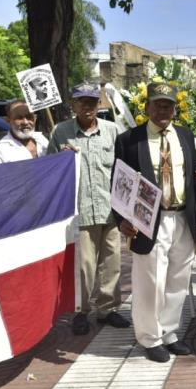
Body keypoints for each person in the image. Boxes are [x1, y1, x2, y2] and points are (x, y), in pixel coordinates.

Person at [115, 82, 196, 363]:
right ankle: (150, 338)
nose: (163, 109)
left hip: (182, 217)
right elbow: (120, 182)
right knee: (150, 281)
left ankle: (170, 332)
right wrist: (122, 220)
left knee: (178, 278)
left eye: (168, 104)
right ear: (147, 106)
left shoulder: (185, 136)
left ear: (176, 108)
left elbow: (191, 175)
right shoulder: (130, 139)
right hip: (149, 221)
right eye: (158, 104)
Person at [49, 83, 127, 335]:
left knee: (112, 262)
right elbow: (49, 169)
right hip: (80, 210)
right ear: (73, 104)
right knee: (84, 267)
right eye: (81, 101)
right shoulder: (61, 132)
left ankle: (107, 309)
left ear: (99, 104)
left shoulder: (113, 131)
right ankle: (81, 311)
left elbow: (123, 170)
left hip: (110, 210)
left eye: (92, 102)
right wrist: (60, 158)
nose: (87, 107)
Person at [0, 100, 49, 164]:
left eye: (29, 117)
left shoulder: (42, 140)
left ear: (35, 118)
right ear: (8, 120)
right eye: (19, 118)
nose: (25, 122)